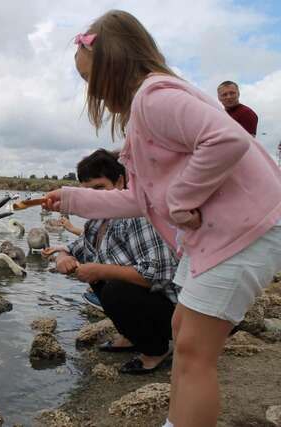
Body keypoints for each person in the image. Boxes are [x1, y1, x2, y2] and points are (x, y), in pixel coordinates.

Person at [44, 10, 281, 427]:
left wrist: (180, 200)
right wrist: (69, 199)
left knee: (192, 353)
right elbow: (138, 198)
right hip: (217, 235)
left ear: (114, 64)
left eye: (90, 80)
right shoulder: (145, 112)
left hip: (245, 229)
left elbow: (226, 140)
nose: (93, 94)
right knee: (181, 326)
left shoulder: (155, 98)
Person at [44, 149, 179, 374]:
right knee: (102, 280)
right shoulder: (97, 222)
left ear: (120, 182)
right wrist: (63, 257)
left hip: (176, 313)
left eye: (99, 188)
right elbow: (73, 249)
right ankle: (131, 337)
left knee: (114, 288)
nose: (93, 198)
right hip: (151, 304)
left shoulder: (138, 217)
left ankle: (155, 350)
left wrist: (100, 270)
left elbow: (158, 276)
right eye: (87, 192)